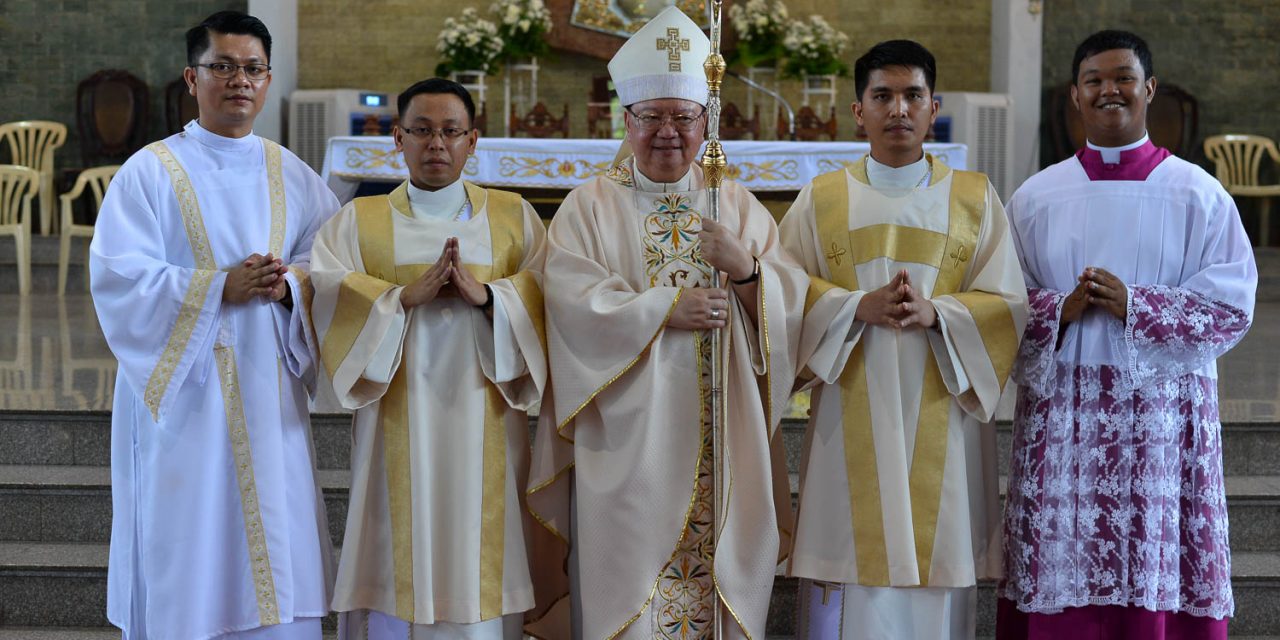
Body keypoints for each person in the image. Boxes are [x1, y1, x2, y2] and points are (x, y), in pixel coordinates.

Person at [524, 6, 805, 638]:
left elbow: (792, 309)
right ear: (626, 120)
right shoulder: (587, 207)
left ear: (706, 122)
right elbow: (568, 304)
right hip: (627, 444)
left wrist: (747, 273)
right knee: (631, 593)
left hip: (722, 437)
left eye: (683, 117)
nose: (668, 132)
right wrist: (663, 309)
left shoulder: (734, 203)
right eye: (652, 117)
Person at [998, 30, 1257, 640]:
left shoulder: (1199, 193)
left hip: (1164, 420)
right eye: (1094, 80)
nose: (1109, 90)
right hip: (1065, 417)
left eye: (1122, 78)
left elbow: (1231, 304)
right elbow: (998, 303)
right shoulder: (1036, 197)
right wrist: (1057, 309)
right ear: (1075, 96)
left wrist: (1136, 306)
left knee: (1153, 556)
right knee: (1064, 552)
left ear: (1149, 89)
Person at [90, 10, 339, 639]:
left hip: (268, 387)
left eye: (252, 68)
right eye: (222, 67)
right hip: (187, 396)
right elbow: (119, 276)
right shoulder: (151, 171)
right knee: (191, 538)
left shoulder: (292, 172)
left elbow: (333, 263)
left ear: (268, 79)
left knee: (277, 539)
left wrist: (292, 286)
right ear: (191, 77)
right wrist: (214, 288)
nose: (239, 81)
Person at [777, 39, 1028, 639]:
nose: (898, 109)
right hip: (850, 406)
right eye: (881, 96)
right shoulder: (822, 198)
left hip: (942, 401)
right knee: (849, 567)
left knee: (932, 572)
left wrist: (939, 315)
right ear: (857, 110)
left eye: (912, 95)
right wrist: (852, 306)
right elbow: (779, 296)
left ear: (933, 106)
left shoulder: (973, 197)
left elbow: (1008, 305)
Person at [309, 78, 547, 640]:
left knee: (481, 534)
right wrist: (400, 298)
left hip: (484, 413)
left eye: (450, 131)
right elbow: (326, 291)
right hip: (398, 413)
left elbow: (548, 294)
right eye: (421, 130)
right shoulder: (357, 220)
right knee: (399, 535)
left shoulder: (515, 217)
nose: (436, 144)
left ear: (473, 140)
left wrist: (488, 297)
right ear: (397, 138)